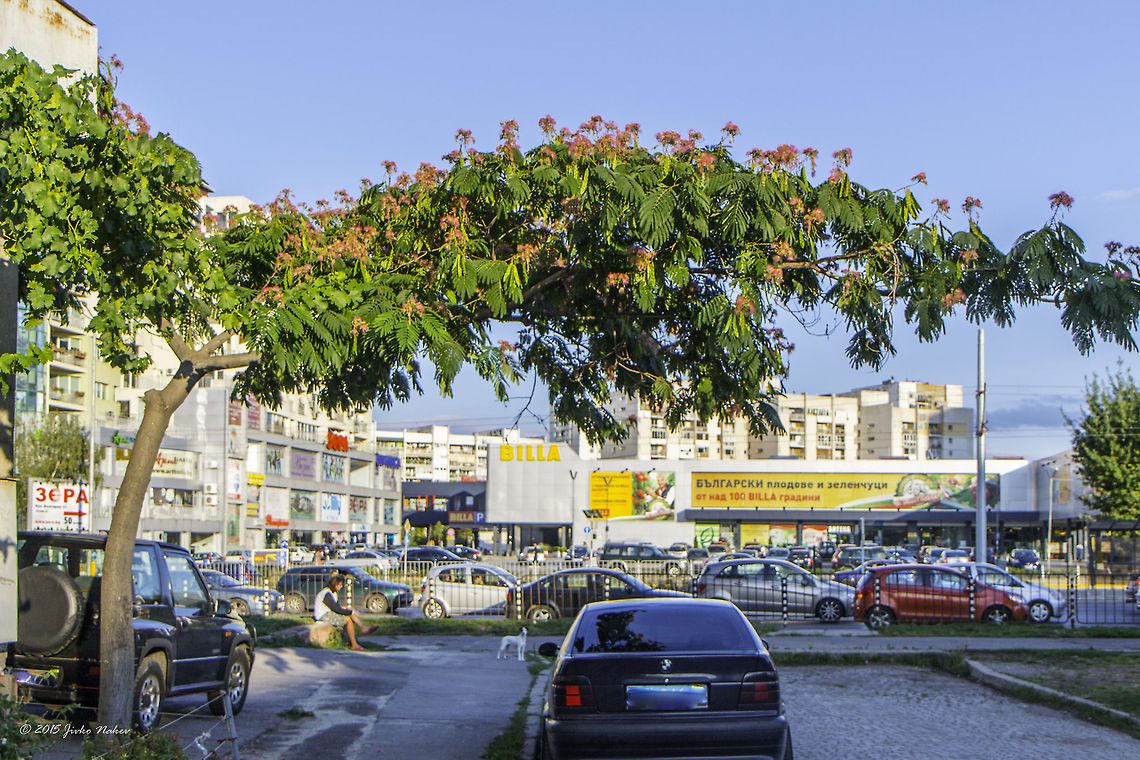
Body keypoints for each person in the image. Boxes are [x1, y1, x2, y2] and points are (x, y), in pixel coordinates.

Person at [314, 573, 377, 650]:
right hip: (322, 615)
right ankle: (354, 644)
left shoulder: (332, 593)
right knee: (348, 620)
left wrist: (350, 610)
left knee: (350, 612)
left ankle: (362, 629)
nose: (341, 586)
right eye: (340, 585)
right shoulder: (327, 593)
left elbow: (337, 606)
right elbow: (337, 610)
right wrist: (352, 612)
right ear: (335, 584)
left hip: (328, 612)